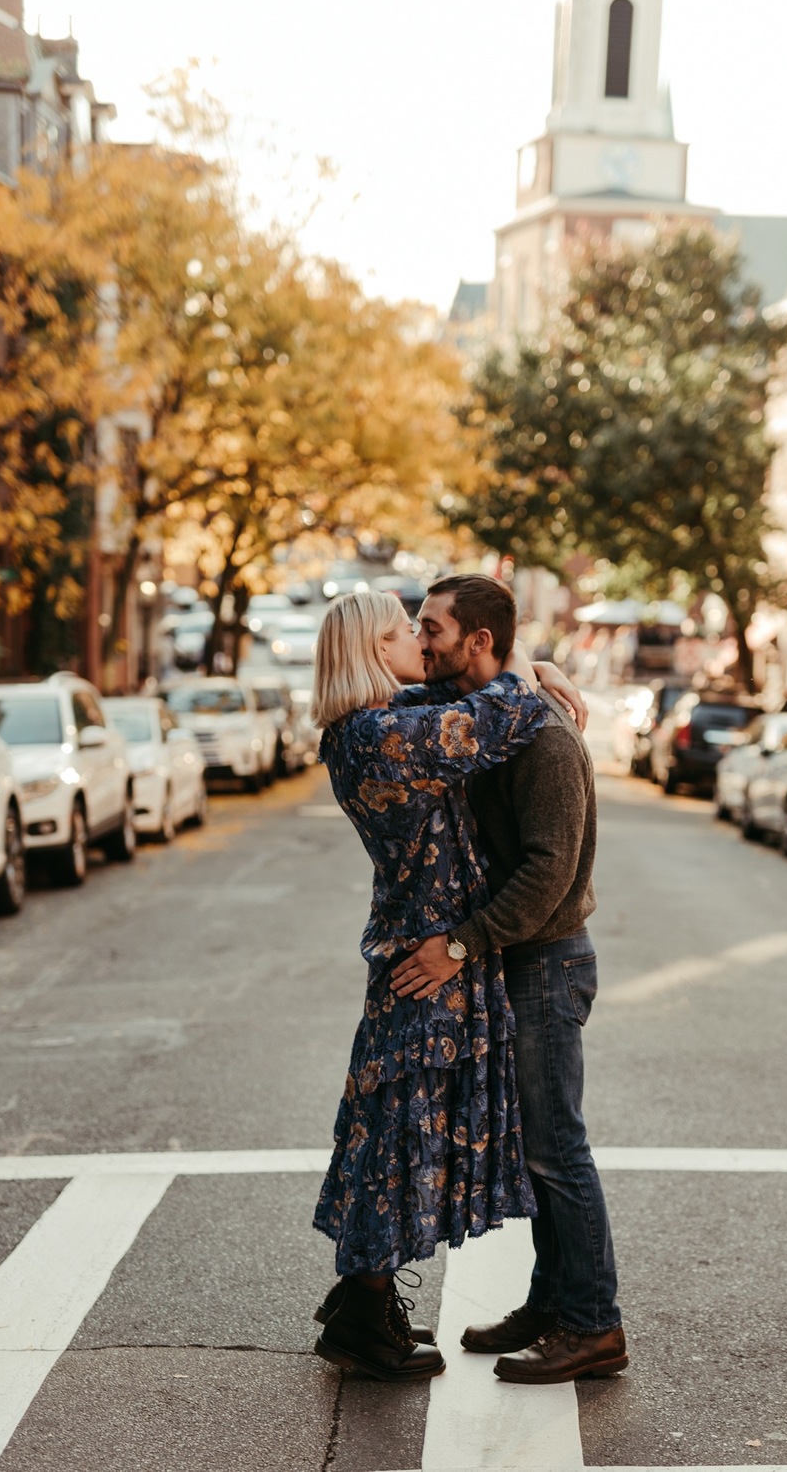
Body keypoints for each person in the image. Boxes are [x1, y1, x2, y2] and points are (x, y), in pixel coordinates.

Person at [308, 589, 554, 1384]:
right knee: (400, 1134)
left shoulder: (375, 723)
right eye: (404, 631)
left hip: (421, 949)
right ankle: (363, 1320)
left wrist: (530, 673)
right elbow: (493, 715)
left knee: (396, 1129)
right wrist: (532, 673)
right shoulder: (381, 737)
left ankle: (362, 1302)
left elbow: (455, 698)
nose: (419, 641)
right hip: (426, 962)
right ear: (376, 650)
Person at [392, 574, 626, 1385]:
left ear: (478, 641)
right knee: (537, 1152)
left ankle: (595, 1325)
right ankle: (554, 1302)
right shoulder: (491, 718)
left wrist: (458, 945)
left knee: (558, 1150)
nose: (421, 642)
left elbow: (549, 871)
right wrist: (540, 670)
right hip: (516, 962)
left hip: (546, 963)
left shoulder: (544, 741)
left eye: (432, 629)